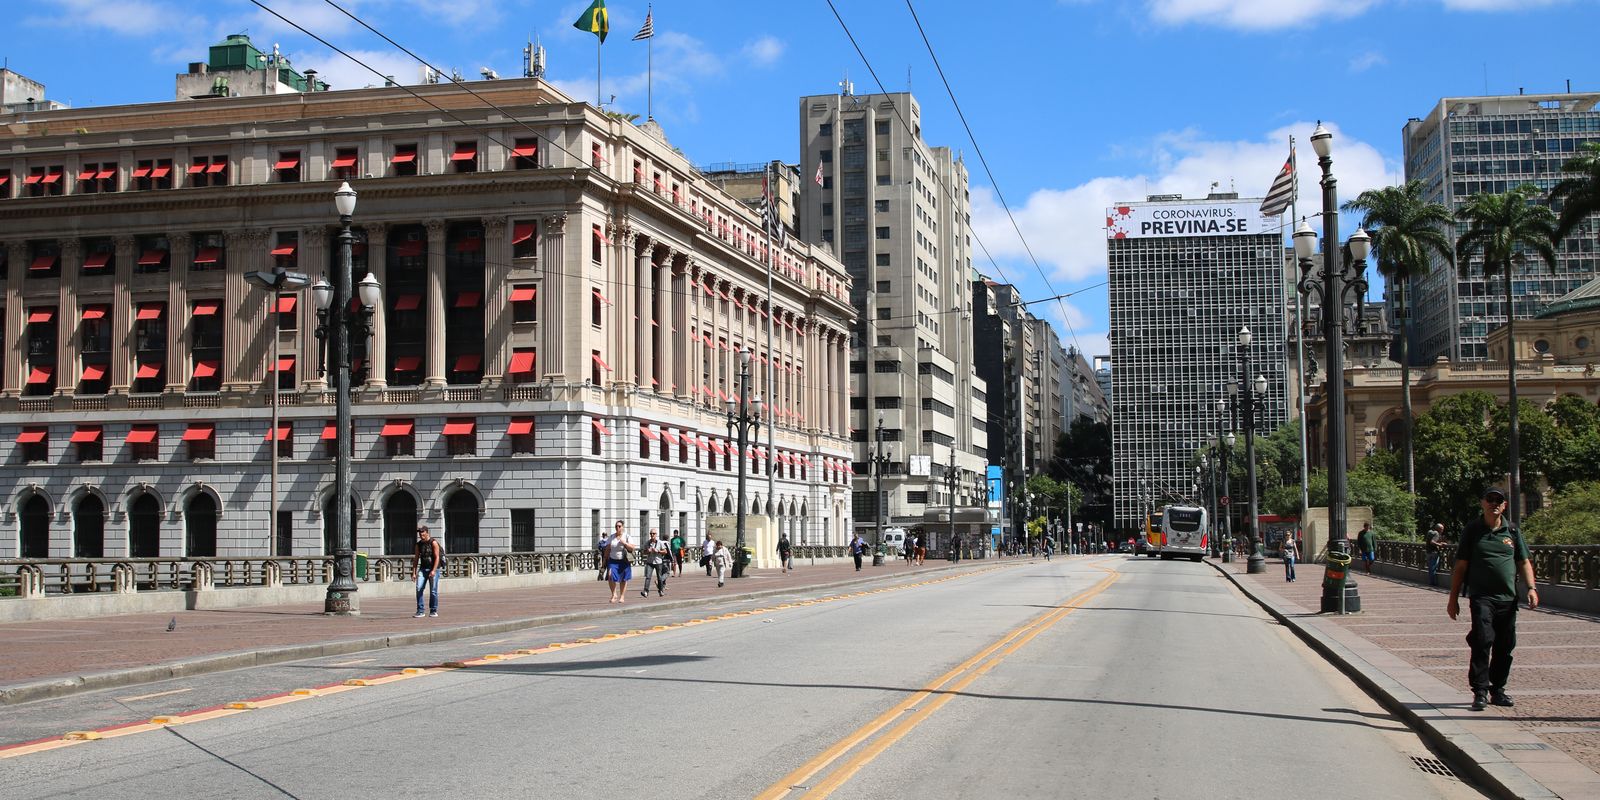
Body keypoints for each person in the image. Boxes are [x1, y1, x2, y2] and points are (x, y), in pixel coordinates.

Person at [1448, 487, 1539, 712]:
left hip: (1508, 598)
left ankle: (1498, 690)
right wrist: (1453, 598)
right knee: (1482, 640)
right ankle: (1480, 691)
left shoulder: (1512, 531)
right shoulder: (1473, 530)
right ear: (1482, 503)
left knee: (1505, 645)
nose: (1494, 503)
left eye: (1499, 500)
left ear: (1504, 505)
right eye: (1490, 499)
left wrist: (1531, 588)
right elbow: (1461, 566)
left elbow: (1523, 561)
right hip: (1481, 597)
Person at [603, 520, 637, 604]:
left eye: (619, 526)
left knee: (623, 579)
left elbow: (632, 548)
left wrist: (624, 543)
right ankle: (614, 594)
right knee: (610, 575)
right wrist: (604, 560)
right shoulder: (612, 537)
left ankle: (622, 596)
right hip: (613, 560)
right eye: (616, 526)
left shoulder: (627, 536)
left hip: (624, 560)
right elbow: (607, 549)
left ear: (623, 527)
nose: (617, 528)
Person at [413, 526, 443, 618]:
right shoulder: (418, 545)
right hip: (423, 569)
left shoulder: (433, 542)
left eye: (422, 532)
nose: (420, 534)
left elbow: (437, 557)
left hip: (433, 569)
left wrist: (433, 570)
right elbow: (416, 558)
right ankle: (420, 611)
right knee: (419, 588)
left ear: (427, 532)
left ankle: (433, 610)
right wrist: (414, 572)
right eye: (419, 532)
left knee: (433, 590)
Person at [641, 528, 670, 597]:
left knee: (659, 577)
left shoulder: (660, 542)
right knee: (648, 577)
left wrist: (658, 551)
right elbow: (643, 552)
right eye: (651, 533)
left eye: (653, 534)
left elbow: (665, 551)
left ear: (656, 534)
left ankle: (661, 590)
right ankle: (645, 591)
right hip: (650, 562)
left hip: (658, 562)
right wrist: (647, 551)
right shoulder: (647, 543)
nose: (652, 535)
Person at [1426, 523, 1449, 587]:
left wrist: (1440, 543)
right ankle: (1432, 582)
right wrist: (1440, 545)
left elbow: (1431, 541)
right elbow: (1432, 542)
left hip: (1428, 552)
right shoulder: (1436, 533)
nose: (1443, 530)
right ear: (1439, 529)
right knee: (1433, 568)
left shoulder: (1430, 532)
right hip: (1434, 553)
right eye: (1442, 529)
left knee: (1430, 567)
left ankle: (1431, 581)